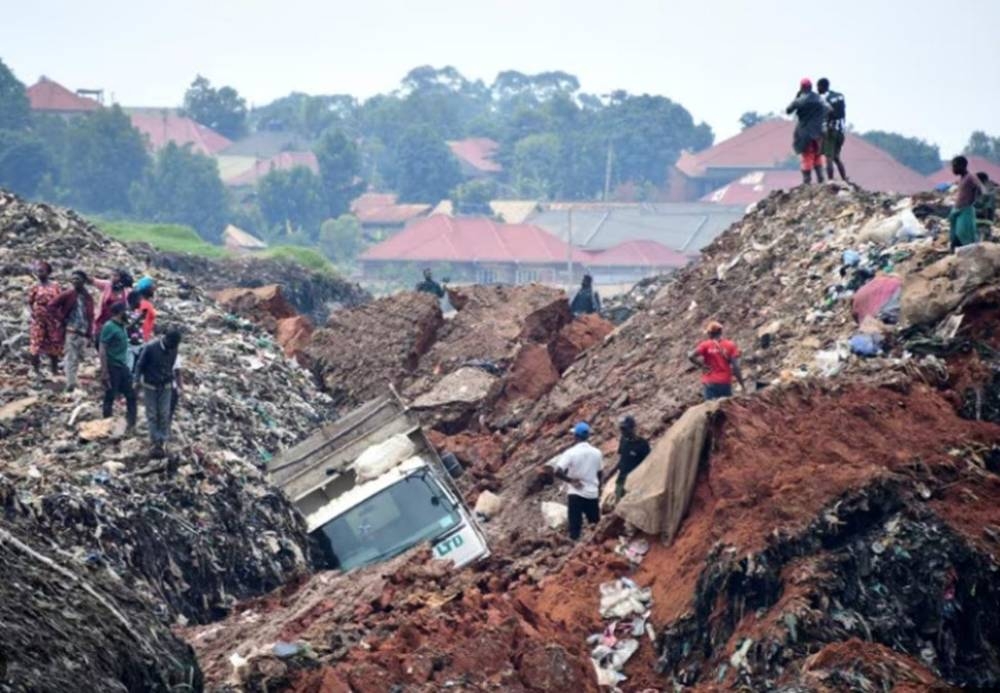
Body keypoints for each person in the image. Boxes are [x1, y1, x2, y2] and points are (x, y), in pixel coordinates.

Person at [551, 422, 603, 541]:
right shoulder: (597, 453)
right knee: (595, 525)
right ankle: (595, 548)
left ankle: (575, 551)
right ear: (588, 436)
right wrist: (599, 489)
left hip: (576, 493)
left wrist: (570, 481)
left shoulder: (570, 453)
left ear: (575, 436)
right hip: (592, 493)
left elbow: (557, 471)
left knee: (575, 528)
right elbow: (600, 473)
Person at [135, 327, 182, 458]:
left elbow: (172, 367)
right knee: (152, 414)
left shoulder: (174, 348)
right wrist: (136, 381)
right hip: (150, 385)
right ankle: (155, 441)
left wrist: (177, 385)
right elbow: (140, 365)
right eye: (172, 344)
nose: (173, 347)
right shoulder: (150, 348)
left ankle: (162, 440)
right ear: (166, 339)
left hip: (166, 385)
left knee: (164, 413)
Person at [49, 270, 96, 392]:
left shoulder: (87, 297)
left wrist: (90, 332)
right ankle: (70, 384)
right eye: (73, 279)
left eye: (78, 279)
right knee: (71, 357)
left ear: (84, 281)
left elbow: (90, 316)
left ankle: (73, 380)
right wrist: (62, 319)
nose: (75, 281)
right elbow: (52, 305)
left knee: (79, 357)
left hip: (83, 332)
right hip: (71, 330)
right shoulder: (68, 294)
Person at [786, 78, 832, 185]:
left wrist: (797, 98)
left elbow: (788, 110)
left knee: (807, 155)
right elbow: (829, 109)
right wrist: (820, 116)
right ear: (811, 87)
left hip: (805, 133)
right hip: (819, 132)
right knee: (817, 155)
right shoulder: (819, 99)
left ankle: (807, 182)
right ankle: (821, 180)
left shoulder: (799, 100)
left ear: (801, 88)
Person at [99, 303, 137, 433]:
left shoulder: (121, 326)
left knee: (131, 395)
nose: (127, 313)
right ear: (120, 312)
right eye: (125, 311)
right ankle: (106, 425)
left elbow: (129, 327)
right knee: (110, 395)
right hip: (112, 366)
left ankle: (131, 423)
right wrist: (104, 371)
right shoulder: (109, 327)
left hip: (122, 366)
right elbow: (102, 348)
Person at [689, 321, 745, 400]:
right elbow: (736, 367)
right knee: (726, 409)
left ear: (710, 334)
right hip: (725, 383)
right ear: (721, 332)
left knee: (711, 409)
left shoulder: (705, 345)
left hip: (710, 383)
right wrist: (742, 384)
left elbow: (691, 356)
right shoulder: (730, 345)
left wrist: (702, 366)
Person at [27, 261, 63, 378]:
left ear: (48, 272)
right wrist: (33, 314)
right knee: (36, 343)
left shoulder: (55, 286)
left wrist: (60, 317)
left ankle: (54, 369)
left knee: (54, 343)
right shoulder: (35, 286)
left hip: (52, 320)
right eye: (38, 271)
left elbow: (60, 301)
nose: (39, 273)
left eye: (41, 271)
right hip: (39, 320)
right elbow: (30, 302)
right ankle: (36, 369)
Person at [606, 416, 651, 501]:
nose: (623, 432)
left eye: (625, 429)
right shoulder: (623, 440)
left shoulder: (642, 444)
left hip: (634, 482)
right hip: (621, 479)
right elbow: (621, 458)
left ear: (632, 428)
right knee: (618, 502)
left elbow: (648, 463)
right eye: (621, 429)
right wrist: (610, 474)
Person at [948, 156, 984, 250]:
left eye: (955, 166)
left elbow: (980, 189)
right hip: (957, 211)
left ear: (962, 166)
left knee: (963, 235)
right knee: (955, 236)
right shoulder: (962, 178)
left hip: (965, 211)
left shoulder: (970, 177)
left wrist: (973, 202)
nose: (953, 169)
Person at [817, 78, 848, 182]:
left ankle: (830, 181)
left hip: (831, 131)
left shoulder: (824, 98)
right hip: (841, 132)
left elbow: (826, 113)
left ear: (822, 86)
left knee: (828, 157)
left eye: (818, 87)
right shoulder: (839, 96)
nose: (817, 89)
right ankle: (844, 179)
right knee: (836, 157)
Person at [92, 269, 133, 346]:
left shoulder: (126, 291)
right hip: (102, 321)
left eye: (116, 276)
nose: (113, 277)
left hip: (116, 322)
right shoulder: (107, 285)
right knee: (100, 341)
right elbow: (94, 281)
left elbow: (129, 307)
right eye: (112, 275)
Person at [133, 276, 157, 341]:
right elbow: (139, 321)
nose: (153, 291)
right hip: (140, 338)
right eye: (152, 289)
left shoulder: (141, 302)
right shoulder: (145, 304)